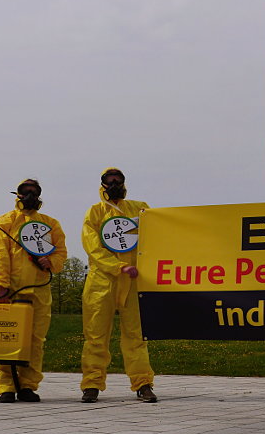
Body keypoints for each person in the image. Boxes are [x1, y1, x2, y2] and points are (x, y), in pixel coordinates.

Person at [0, 179, 67, 403]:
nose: (30, 194)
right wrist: (0, 288)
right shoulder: (5, 221)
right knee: (6, 339)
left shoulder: (51, 224)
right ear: (18, 195)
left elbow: (61, 252)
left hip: (39, 291)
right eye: (25, 191)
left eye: (34, 191)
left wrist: (51, 262)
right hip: (9, 292)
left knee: (35, 341)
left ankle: (28, 386)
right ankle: (6, 387)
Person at [79, 168, 157, 403]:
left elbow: (158, 232)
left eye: (118, 180)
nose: (114, 184)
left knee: (137, 335)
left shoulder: (140, 208)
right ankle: (91, 385)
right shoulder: (94, 212)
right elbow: (92, 246)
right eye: (109, 181)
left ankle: (143, 383)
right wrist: (118, 266)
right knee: (95, 336)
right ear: (102, 184)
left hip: (134, 281)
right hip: (101, 282)